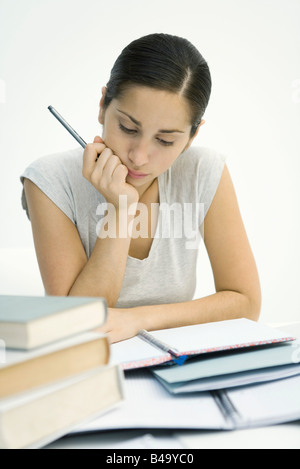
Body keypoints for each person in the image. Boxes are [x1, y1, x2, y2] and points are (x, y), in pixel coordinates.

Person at [21, 33, 261, 343]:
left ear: (192, 136)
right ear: (102, 106)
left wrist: (138, 320)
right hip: (87, 365)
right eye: (128, 128)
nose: (139, 156)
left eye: (165, 140)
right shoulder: (50, 180)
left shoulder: (204, 170)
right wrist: (121, 211)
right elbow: (75, 322)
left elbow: (246, 302)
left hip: (172, 362)